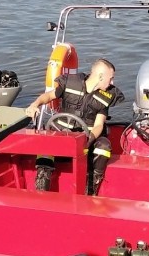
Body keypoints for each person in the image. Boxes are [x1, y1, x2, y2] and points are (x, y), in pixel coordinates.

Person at [25, 58, 123, 196]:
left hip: (87, 137)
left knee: (104, 147)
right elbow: (48, 96)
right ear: (101, 76)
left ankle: (91, 187)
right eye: (111, 78)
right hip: (62, 133)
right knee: (46, 144)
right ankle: (41, 187)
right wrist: (35, 104)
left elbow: (99, 124)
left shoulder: (107, 96)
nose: (112, 82)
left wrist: (89, 138)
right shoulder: (70, 83)